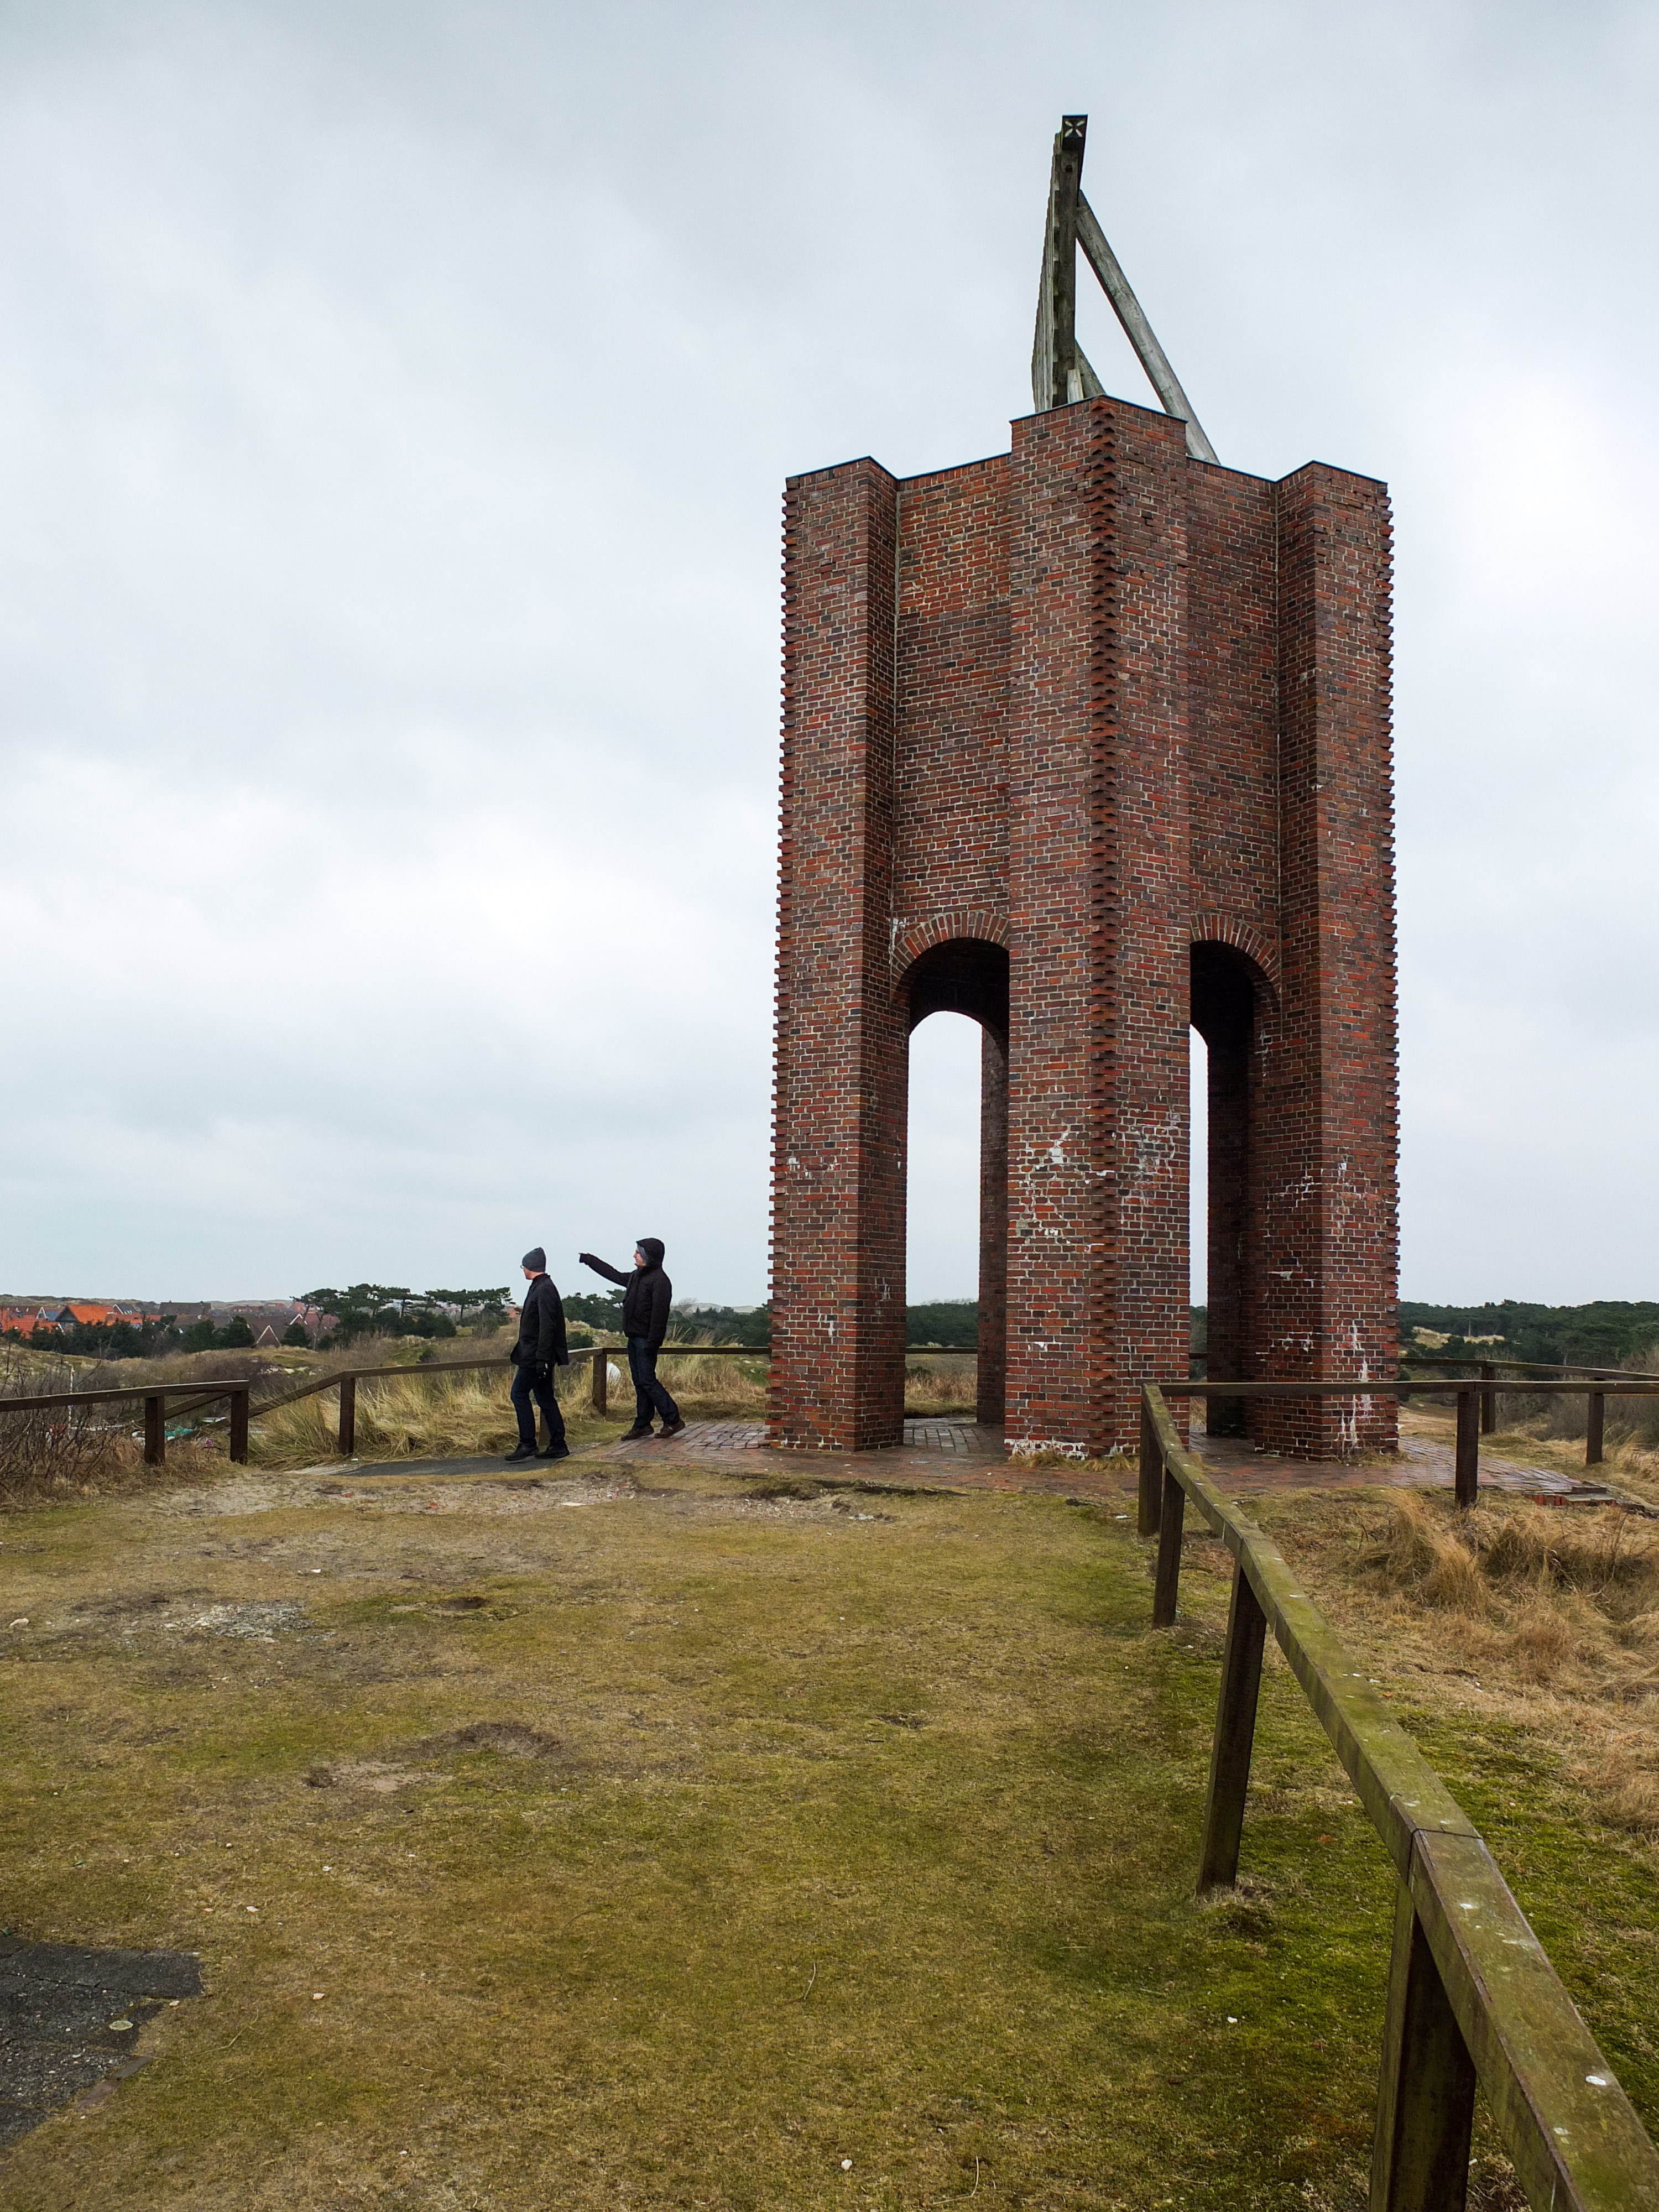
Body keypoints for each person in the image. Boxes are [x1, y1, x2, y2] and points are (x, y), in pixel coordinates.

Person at [577, 1238, 684, 1441]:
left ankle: (673, 1419)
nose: (634, 1255)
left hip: (646, 1341)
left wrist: (653, 1343)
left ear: (648, 1256)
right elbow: (615, 1275)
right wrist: (590, 1260)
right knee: (640, 1382)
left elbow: (659, 1317)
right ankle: (642, 1425)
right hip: (634, 1338)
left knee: (648, 1381)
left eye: (638, 1252)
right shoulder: (637, 1277)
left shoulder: (660, 1281)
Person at [505, 1248, 570, 1464]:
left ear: (529, 1267)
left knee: (519, 1394)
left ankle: (528, 1443)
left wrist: (542, 1359)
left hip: (535, 1357)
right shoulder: (543, 1286)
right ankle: (558, 1445)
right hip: (537, 1356)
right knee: (545, 1398)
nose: (523, 1270)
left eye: (523, 1266)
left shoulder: (543, 1289)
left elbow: (547, 1327)